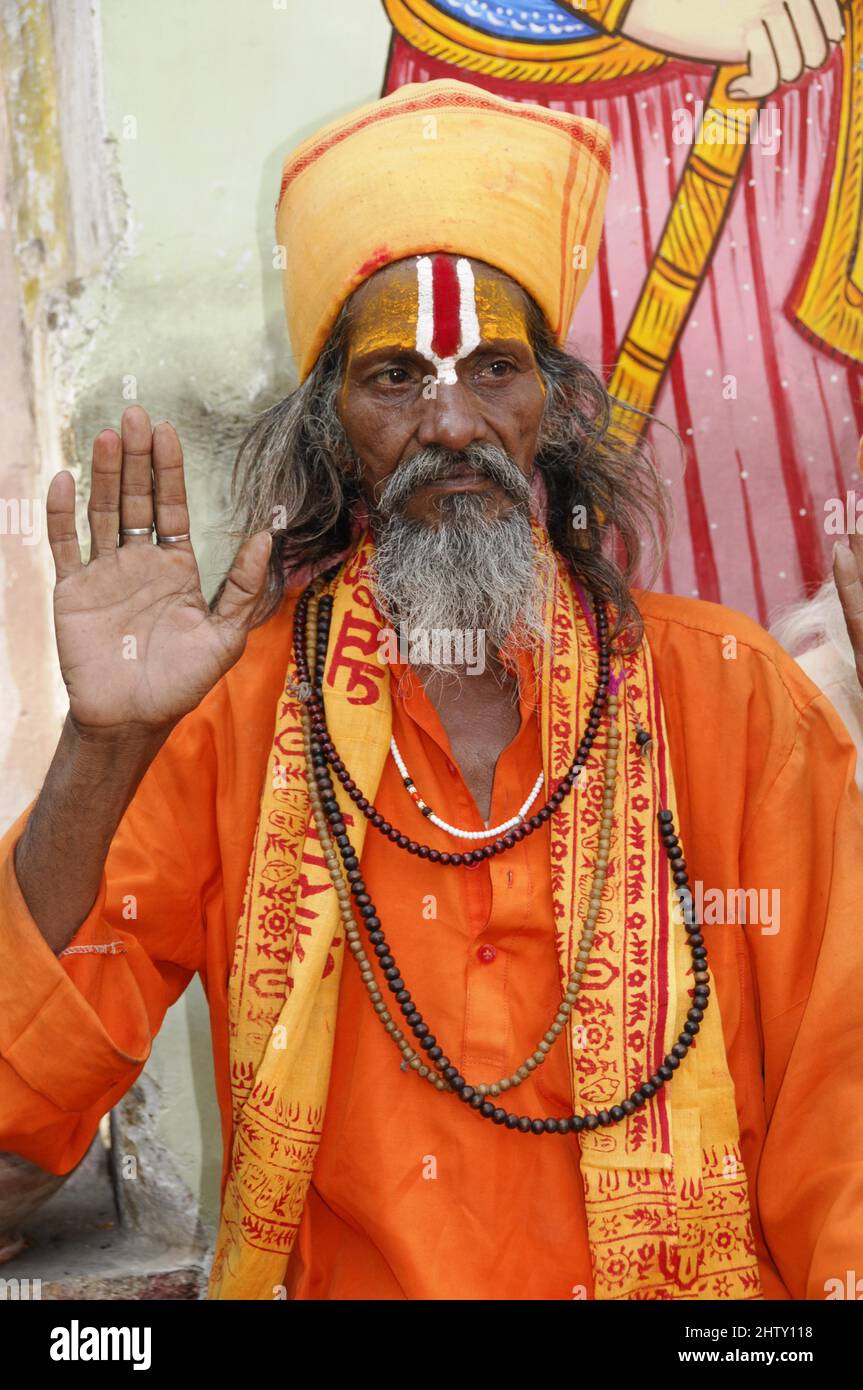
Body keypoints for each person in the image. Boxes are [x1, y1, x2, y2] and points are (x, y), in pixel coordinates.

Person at [1, 78, 862, 1302]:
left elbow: (848, 1137)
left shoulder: (735, 704)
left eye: (494, 368)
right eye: (397, 376)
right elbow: (12, 1128)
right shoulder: (236, 717)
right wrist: (103, 745)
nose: (452, 421)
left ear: (553, 412)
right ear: (328, 428)